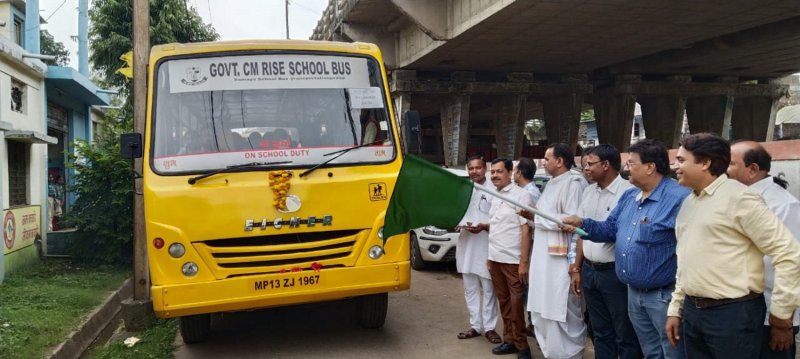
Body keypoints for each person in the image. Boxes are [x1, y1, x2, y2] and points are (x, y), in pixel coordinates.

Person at [665, 133, 800, 359]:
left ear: (706, 163)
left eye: (681, 160)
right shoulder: (690, 202)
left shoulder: (741, 199)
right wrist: (675, 309)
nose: (675, 166)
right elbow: (686, 261)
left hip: (732, 315)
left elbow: (788, 254)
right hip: (693, 311)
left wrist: (781, 314)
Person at [562, 138, 690, 359]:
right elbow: (610, 229)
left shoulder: (680, 199)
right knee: (650, 351)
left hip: (663, 296)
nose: (625, 168)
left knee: (672, 352)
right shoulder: (630, 196)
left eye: (631, 163)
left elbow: (691, 249)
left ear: (650, 167)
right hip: (633, 292)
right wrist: (582, 224)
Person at [566, 144, 642, 359]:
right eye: (583, 165)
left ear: (606, 165)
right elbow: (582, 233)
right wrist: (577, 268)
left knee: (624, 332)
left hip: (615, 274)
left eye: (589, 164)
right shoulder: (589, 192)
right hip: (590, 271)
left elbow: (621, 233)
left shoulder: (628, 193)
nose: (585, 170)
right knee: (600, 331)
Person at [727, 140, 800, 359]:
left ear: (753, 170)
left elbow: (790, 263)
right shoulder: (738, 198)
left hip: (772, 315)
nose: (724, 170)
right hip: (744, 310)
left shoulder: (783, 205)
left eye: (730, 164)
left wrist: (782, 321)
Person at [522, 143, 588, 359]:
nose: (543, 161)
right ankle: (553, 353)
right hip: (542, 259)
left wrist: (535, 217)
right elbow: (545, 219)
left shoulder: (575, 183)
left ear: (560, 161)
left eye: (547, 158)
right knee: (542, 311)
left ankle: (570, 355)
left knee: (562, 311)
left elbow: (573, 221)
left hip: (561, 262)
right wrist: (531, 217)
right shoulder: (550, 184)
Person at [480, 158, 533, 358]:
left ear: (510, 172)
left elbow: (526, 230)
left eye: (499, 171)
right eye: (492, 172)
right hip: (495, 258)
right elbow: (495, 228)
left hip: (513, 261)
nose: (494, 175)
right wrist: (489, 257)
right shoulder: (495, 195)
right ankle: (509, 340)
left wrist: (524, 263)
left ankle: (522, 346)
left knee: (516, 304)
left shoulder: (521, 196)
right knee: (504, 302)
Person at [456, 155, 501, 344]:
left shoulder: (495, 191)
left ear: (485, 169)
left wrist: (484, 226)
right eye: (471, 168)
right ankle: (475, 325)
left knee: (489, 288)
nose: (474, 171)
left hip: (486, 247)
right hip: (466, 245)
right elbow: (456, 214)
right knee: (470, 289)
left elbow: (500, 220)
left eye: (478, 168)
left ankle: (490, 328)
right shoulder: (463, 190)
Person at [513, 157, 541, 338]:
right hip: (528, 245)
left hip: (531, 245)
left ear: (520, 173)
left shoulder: (529, 193)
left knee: (529, 287)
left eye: (515, 170)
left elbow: (532, 223)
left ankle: (533, 325)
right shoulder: (527, 190)